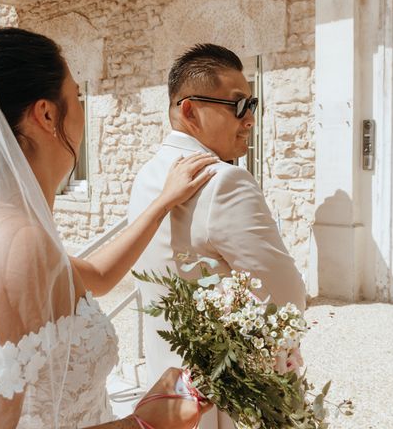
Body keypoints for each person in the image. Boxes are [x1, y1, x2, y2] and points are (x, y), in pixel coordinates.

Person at [0, 28, 216, 429]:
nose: (82, 112)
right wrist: (145, 423)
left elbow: (96, 277)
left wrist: (163, 202)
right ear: (47, 114)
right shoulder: (13, 245)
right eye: (77, 97)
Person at [127, 44, 306, 429]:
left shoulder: (147, 175)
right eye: (239, 105)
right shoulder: (225, 180)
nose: (250, 119)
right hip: (223, 399)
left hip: (166, 385)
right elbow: (286, 295)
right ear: (189, 110)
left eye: (253, 105)